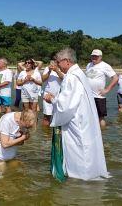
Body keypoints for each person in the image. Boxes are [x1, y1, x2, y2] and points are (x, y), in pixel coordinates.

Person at [43, 48, 108, 181]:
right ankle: (86, 174)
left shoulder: (71, 77)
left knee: (77, 150)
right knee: (84, 149)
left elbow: (65, 106)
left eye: (58, 62)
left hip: (75, 122)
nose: (57, 65)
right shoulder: (79, 74)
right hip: (82, 119)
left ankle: (79, 178)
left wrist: (52, 99)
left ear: (67, 61)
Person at [85, 49, 118, 129]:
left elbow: (115, 78)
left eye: (96, 56)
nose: (94, 58)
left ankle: (103, 136)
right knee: (89, 117)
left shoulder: (105, 66)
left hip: (99, 96)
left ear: (100, 57)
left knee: (101, 118)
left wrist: (107, 90)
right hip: (88, 96)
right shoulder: (88, 65)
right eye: (93, 56)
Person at [41, 59, 64, 126]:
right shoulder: (47, 68)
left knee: (57, 116)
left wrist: (56, 70)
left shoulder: (63, 68)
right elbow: (43, 79)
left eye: (56, 61)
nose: (54, 63)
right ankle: (46, 135)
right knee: (46, 117)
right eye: (53, 61)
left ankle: (55, 134)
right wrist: (49, 71)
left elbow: (64, 78)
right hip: (47, 95)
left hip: (59, 96)